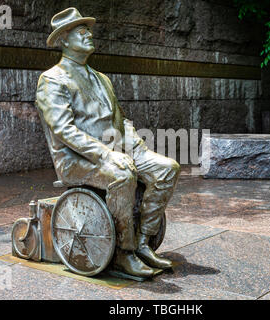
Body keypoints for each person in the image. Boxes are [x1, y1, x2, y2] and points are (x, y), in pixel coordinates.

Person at [36, 8, 180, 279]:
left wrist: (138, 149)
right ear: (64, 40)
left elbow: (121, 122)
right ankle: (123, 255)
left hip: (117, 149)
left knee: (167, 168)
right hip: (76, 159)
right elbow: (63, 130)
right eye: (81, 31)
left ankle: (142, 243)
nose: (89, 34)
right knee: (122, 175)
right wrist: (104, 155)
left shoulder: (103, 79)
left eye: (88, 30)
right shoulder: (52, 79)